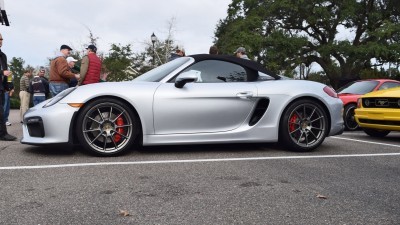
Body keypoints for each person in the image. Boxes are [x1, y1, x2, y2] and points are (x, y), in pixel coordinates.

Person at [0, 33, 17, 141]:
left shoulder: (3, 56)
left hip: (1, 87)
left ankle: (2, 133)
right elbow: (4, 71)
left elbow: (7, 72)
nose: (0, 41)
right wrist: (2, 72)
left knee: (1, 111)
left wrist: (9, 86)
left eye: (1, 39)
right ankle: (3, 134)